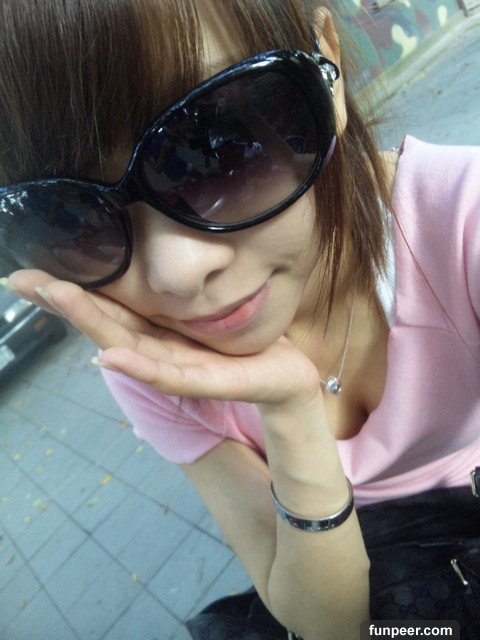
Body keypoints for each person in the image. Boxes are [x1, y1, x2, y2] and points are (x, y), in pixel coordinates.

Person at [0, 1, 479, 639]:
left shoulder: (462, 221)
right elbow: (332, 625)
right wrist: (289, 408)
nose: (177, 272)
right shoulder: (151, 362)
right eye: (68, 218)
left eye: (218, 147)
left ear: (327, 66)